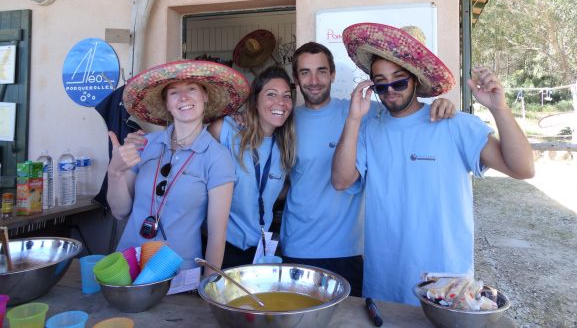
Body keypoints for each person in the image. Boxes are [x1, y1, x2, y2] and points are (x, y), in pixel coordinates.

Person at [331, 22, 535, 304]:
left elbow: (523, 168)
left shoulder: (455, 124)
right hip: (384, 281)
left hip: (445, 286)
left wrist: (499, 108)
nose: (390, 90)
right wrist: (354, 119)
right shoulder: (367, 130)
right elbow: (341, 181)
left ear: (415, 79)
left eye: (399, 80)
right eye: (380, 83)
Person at [280, 41, 456, 297]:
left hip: (347, 250)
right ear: (296, 78)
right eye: (305, 72)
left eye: (321, 71)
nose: (314, 80)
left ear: (333, 74)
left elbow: (406, 108)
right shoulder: (286, 120)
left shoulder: (364, 111)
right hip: (296, 246)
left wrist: (443, 104)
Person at [107, 60, 250, 273]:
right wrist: (115, 171)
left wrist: (208, 284)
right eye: (174, 92)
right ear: (166, 103)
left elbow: (217, 235)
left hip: (177, 273)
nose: (184, 97)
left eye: (192, 89)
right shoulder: (144, 144)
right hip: (128, 267)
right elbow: (120, 211)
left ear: (205, 97)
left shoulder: (217, 157)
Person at [208, 65, 296, 267]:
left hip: (259, 251)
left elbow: (278, 190)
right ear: (255, 101)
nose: (280, 103)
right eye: (271, 94)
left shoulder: (284, 146)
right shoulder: (225, 130)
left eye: (286, 96)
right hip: (220, 246)